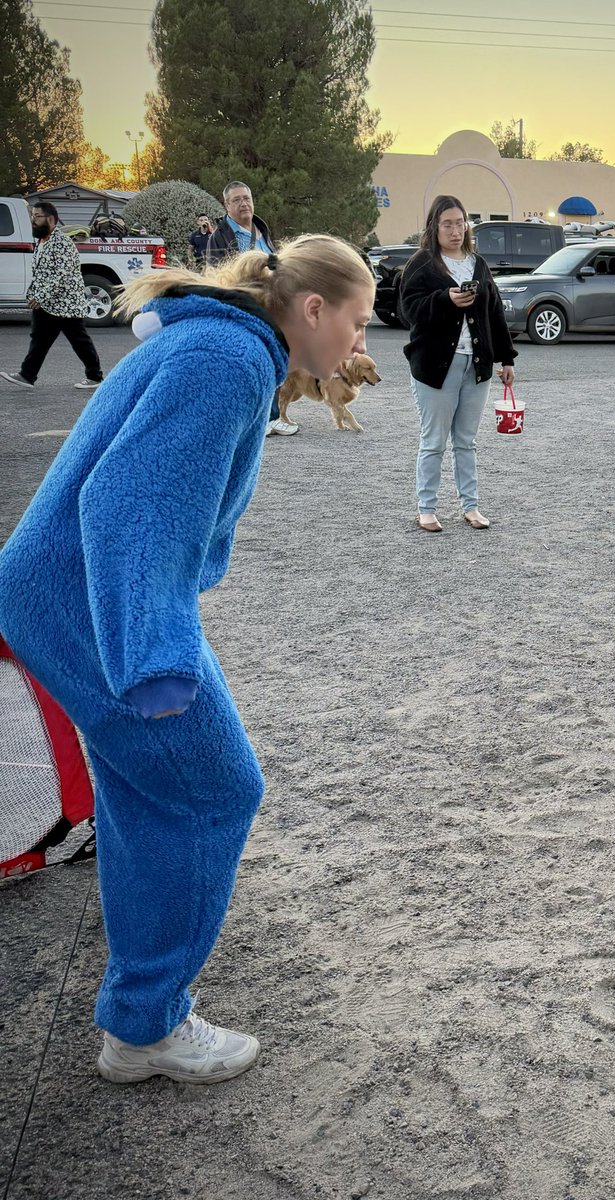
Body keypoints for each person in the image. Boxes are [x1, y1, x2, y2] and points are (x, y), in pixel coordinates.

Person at [0, 234, 376, 1081]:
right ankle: (144, 1025)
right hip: (93, 611)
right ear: (312, 310)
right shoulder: (230, 360)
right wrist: (156, 658)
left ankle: (140, 1012)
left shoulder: (216, 340)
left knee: (145, 790)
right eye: (358, 323)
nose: (361, 344)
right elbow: (127, 504)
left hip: (68, 597)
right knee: (214, 791)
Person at [400, 194, 517, 532]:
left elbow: (493, 311)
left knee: (466, 441)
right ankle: (427, 508)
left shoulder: (477, 264)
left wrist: (506, 357)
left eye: (460, 222)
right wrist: (445, 299)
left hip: (476, 365)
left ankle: (471, 506)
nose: (455, 230)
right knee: (433, 441)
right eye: (447, 223)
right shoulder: (422, 263)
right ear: (434, 227)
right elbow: (409, 311)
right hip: (436, 367)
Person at [202, 181, 296, 437]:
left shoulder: (262, 231)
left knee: (274, 360)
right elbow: (218, 277)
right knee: (244, 364)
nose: (244, 203)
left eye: (247, 198)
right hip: (243, 311)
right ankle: (250, 419)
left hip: (271, 309)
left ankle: (271, 417)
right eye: (236, 200)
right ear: (227, 205)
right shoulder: (219, 237)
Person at [1, 201, 104, 392]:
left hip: (66, 304)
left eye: (37, 216)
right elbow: (41, 273)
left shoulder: (62, 243)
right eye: (32, 216)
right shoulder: (41, 242)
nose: (33, 220)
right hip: (48, 304)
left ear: (51, 219)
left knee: (79, 341)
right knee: (39, 339)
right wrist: (33, 294)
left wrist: (40, 296)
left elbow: (61, 275)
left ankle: (95, 376)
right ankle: (27, 375)